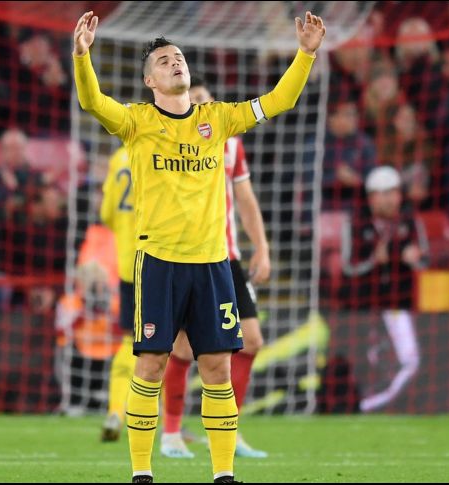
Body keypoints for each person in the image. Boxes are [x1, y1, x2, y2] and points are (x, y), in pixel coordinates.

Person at [72, 10, 324, 483]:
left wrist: (305, 54)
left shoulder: (218, 118)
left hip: (213, 265)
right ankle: (142, 471)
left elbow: (279, 100)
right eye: (164, 60)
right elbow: (91, 100)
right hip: (159, 263)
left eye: (179, 58)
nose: (175, 63)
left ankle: (223, 474)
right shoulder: (136, 122)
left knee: (217, 367)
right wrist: (82, 57)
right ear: (149, 80)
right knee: (150, 363)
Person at [160, 79, 271, 460]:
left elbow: (245, 198)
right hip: (186, 255)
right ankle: (171, 434)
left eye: (203, 99)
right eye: (191, 99)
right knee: (183, 347)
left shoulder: (230, 144)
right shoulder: (170, 141)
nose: (197, 103)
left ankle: (227, 431)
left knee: (251, 340)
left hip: (228, 256)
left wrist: (262, 247)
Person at [341, 166, 427, 412]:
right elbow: (349, 267)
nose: (390, 199)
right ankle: (365, 403)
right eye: (383, 193)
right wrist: (373, 261)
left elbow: (426, 261)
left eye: (394, 193)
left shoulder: (410, 222)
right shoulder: (356, 224)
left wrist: (415, 259)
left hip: (400, 305)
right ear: (371, 197)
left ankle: (373, 404)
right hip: (364, 307)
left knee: (409, 360)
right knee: (370, 360)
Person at [99, 146, 138, 442]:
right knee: (170, 345)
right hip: (163, 259)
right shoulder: (160, 146)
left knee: (129, 340)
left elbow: (106, 214)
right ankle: (168, 425)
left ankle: (116, 411)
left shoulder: (118, 158)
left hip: (127, 265)